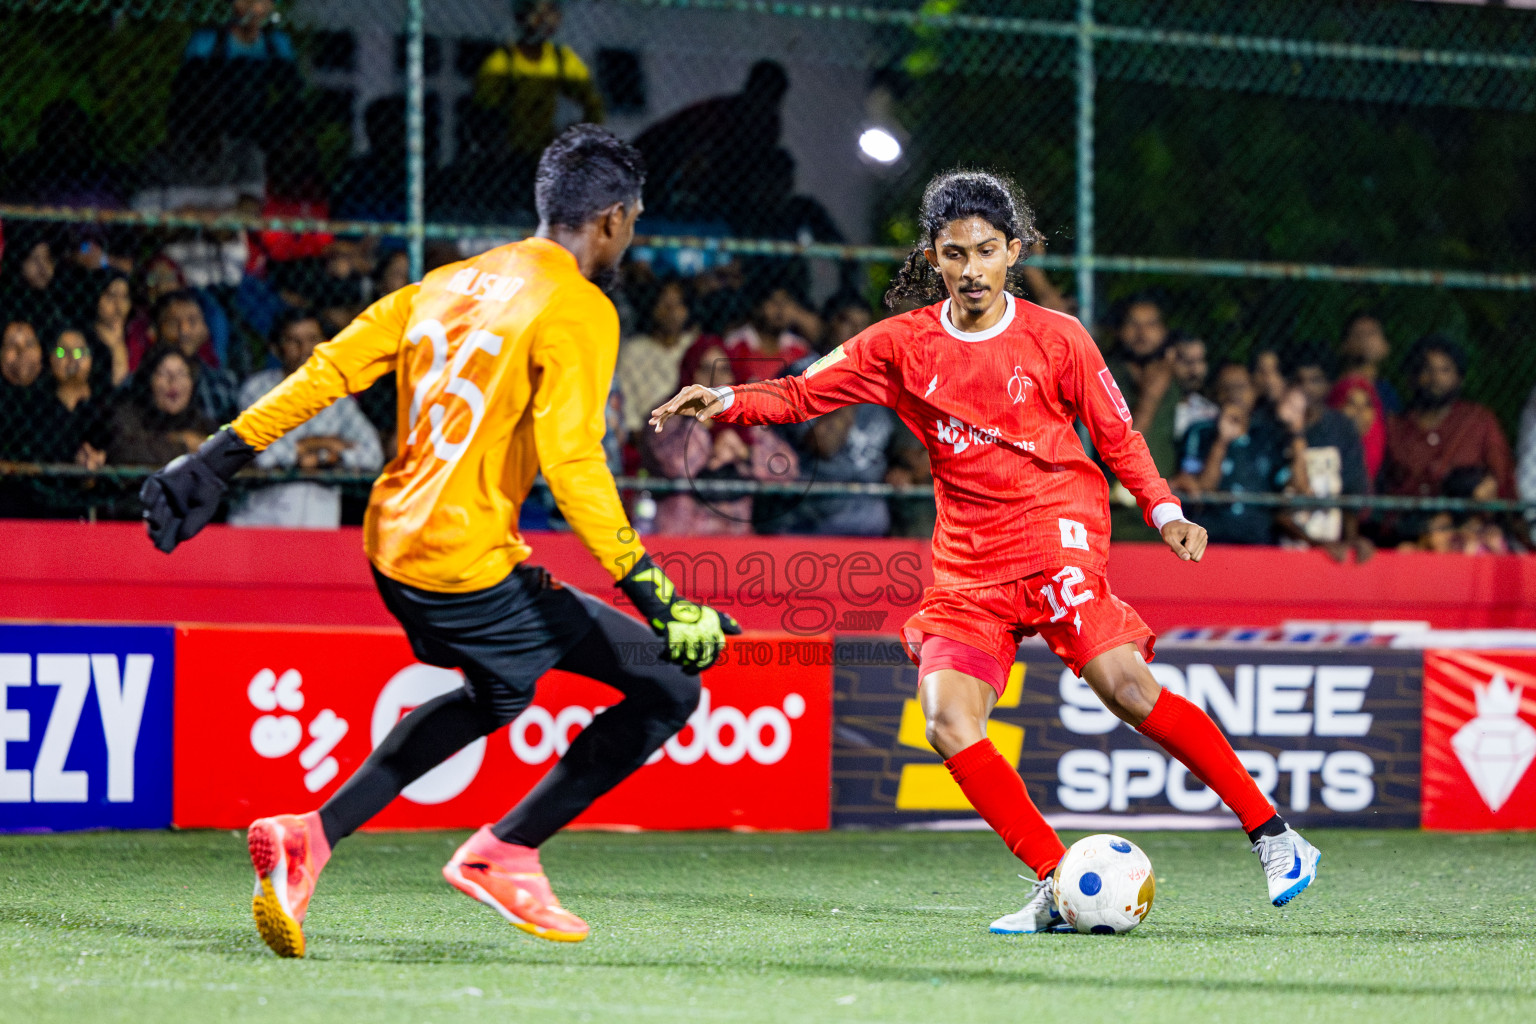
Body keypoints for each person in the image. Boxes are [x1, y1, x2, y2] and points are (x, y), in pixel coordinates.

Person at [652, 170, 1321, 931]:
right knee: (946, 720)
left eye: (987, 251)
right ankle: (1054, 880)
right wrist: (728, 400)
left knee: (1125, 688)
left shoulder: (1058, 337)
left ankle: (1276, 837)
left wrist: (1164, 511)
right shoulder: (904, 344)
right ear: (933, 258)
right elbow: (805, 392)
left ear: (1015, 252)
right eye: (954, 253)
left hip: (1055, 531)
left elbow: (1117, 438)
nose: (972, 269)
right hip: (969, 564)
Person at [138, 125, 738, 958]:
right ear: (609, 220)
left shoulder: (445, 284)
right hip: (464, 565)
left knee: (499, 693)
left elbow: (328, 369)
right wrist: (656, 594)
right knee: (670, 685)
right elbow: (574, 464)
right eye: (632, 221)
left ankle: (312, 837)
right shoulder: (579, 308)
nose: (630, 236)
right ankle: (503, 853)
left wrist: (217, 455)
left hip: (393, 546)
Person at [227, 311, 383, 528]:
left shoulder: (337, 398)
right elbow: (264, 454)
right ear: (276, 348)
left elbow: (373, 454)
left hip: (319, 525)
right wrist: (324, 444)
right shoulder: (257, 389)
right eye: (293, 341)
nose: (305, 349)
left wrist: (318, 456)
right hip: (261, 521)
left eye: (312, 339)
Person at [472, 0, 605, 212]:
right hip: (509, 159)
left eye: (550, 13)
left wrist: (578, 139)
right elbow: (483, 116)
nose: (544, 21)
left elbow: (592, 102)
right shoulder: (502, 64)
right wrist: (495, 146)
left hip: (547, 157)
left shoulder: (561, 60)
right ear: (520, 18)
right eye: (536, 13)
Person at [1179, 363, 1307, 545]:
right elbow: (1201, 489)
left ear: (1254, 392)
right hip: (1210, 540)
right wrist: (1222, 440)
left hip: (1259, 543)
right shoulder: (1200, 432)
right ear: (1216, 394)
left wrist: (1296, 432)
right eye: (1226, 388)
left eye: (1241, 386)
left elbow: (1300, 487)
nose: (1234, 393)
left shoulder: (1269, 436)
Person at [1379, 334, 1514, 502]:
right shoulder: (1394, 428)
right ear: (1411, 378)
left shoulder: (1479, 421)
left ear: (1460, 379)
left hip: (1470, 523)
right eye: (1427, 369)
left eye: (1445, 370)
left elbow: (1501, 477)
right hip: (1410, 524)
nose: (1436, 378)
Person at [1276, 344, 1371, 562]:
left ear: (1328, 385)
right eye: (1300, 381)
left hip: (1331, 549)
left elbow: (1352, 489)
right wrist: (1317, 545)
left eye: (1315, 380)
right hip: (1284, 550)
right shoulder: (1277, 428)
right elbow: (1275, 507)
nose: (1307, 388)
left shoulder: (1341, 428)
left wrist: (1351, 539)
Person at [615, 278, 699, 437]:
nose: (671, 311)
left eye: (678, 304)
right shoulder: (634, 351)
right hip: (646, 434)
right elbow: (626, 403)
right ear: (652, 307)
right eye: (664, 303)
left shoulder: (695, 347)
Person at [107, 347, 216, 466]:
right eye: (163, 373)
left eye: (181, 373)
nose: (173, 381)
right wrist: (182, 443)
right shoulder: (128, 417)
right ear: (148, 380)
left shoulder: (202, 423)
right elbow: (126, 452)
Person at [1338, 312, 1401, 415]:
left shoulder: (1387, 393)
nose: (1366, 339)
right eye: (1359, 333)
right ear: (1344, 345)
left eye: (1372, 333)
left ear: (1386, 347)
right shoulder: (1334, 390)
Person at [1168, 330, 1218, 445]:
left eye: (1200, 360)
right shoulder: (1154, 407)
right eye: (1187, 361)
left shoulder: (1210, 413)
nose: (1194, 370)